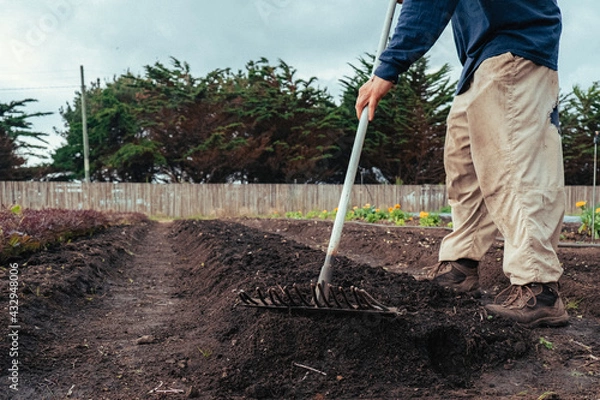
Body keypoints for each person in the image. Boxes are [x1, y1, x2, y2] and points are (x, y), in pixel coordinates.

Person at [355, 0, 569, 328]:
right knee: (464, 168)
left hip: (516, 43)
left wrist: (389, 66)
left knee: (514, 167)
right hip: (479, 57)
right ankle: (461, 266)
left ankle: (538, 288)